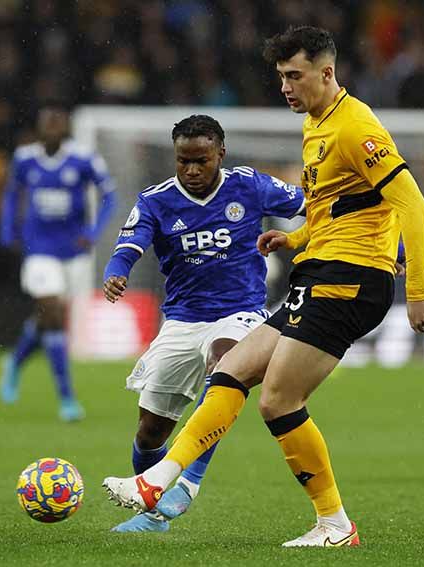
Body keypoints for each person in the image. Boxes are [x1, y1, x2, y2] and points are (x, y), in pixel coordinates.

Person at [103, 26, 424, 547]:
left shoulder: (355, 127)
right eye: (280, 77)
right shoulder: (315, 124)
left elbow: (409, 203)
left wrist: (416, 286)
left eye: (294, 76)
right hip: (321, 270)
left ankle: (334, 525)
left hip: (348, 281)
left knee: (278, 400)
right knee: (233, 370)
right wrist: (295, 238)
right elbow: (342, 208)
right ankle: (156, 483)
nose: (284, 87)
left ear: (326, 73)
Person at [102, 114, 305, 532]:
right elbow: (129, 244)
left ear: (220, 154)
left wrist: (389, 243)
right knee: (149, 432)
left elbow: (316, 207)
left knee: (224, 365)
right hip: (181, 320)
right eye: (183, 162)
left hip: (241, 312)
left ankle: (188, 484)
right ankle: (154, 515)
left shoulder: (250, 185)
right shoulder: (156, 200)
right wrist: (117, 271)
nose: (192, 171)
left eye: (202, 161)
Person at [0, 100, 118, 422]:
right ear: (39, 127)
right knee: (49, 310)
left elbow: (111, 196)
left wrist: (93, 232)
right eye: (46, 121)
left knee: (49, 320)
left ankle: (16, 361)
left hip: (74, 252)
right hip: (39, 249)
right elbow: (11, 195)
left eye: (57, 122)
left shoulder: (83, 158)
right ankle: (67, 399)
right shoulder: (24, 159)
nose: (52, 127)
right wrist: (7, 231)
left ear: (65, 127)